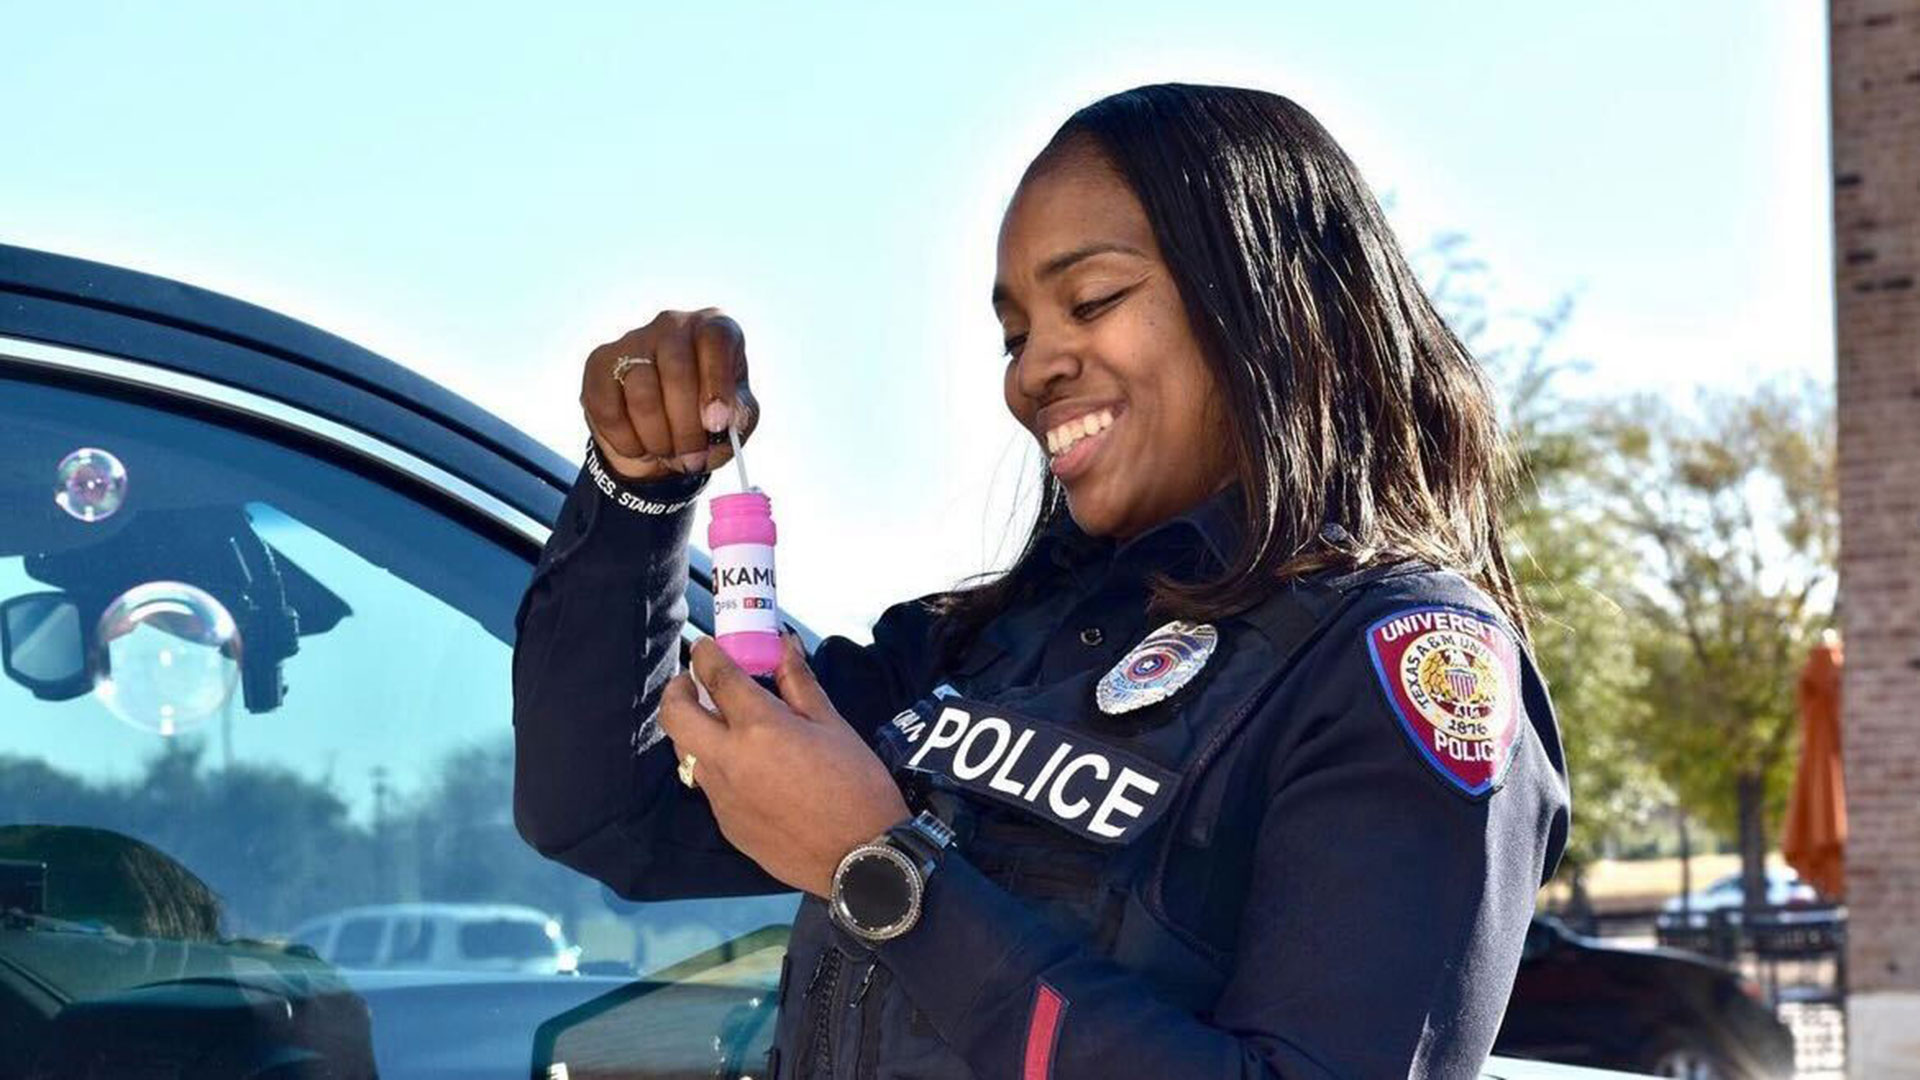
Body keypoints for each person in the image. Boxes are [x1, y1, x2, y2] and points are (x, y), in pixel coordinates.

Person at [512, 82, 1570, 1079]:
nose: (1031, 370)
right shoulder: (978, 645)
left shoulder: (1399, 663)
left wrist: (882, 871)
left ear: (1282, 301)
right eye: (1015, 334)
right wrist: (638, 496)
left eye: (1093, 299)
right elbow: (607, 811)